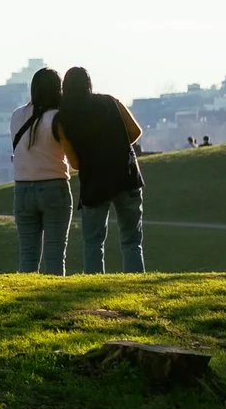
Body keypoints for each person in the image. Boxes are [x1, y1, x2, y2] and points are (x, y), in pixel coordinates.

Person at [56, 67, 146, 273]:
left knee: (93, 242)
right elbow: (135, 131)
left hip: (94, 183)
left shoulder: (64, 118)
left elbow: (76, 164)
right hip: (127, 175)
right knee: (132, 241)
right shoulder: (110, 102)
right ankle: (135, 285)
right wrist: (115, 146)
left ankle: (95, 286)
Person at [8, 68, 76, 273]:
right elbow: (73, 159)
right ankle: (54, 299)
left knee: (27, 256)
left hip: (22, 189)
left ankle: (25, 298)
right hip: (54, 186)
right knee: (55, 255)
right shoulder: (57, 118)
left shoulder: (16, 115)